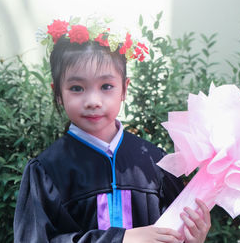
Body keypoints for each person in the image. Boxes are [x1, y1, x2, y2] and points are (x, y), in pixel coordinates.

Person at [14, 18, 211, 243]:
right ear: (58, 93)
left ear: (124, 89)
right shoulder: (48, 171)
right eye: (76, 88)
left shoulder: (155, 164)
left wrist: (191, 238)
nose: (93, 101)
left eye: (106, 86)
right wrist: (121, 239)